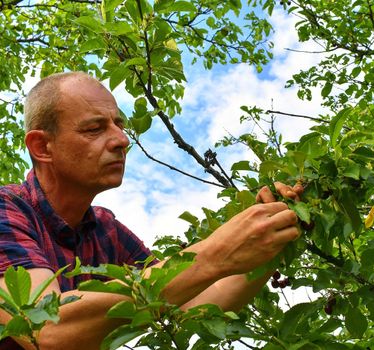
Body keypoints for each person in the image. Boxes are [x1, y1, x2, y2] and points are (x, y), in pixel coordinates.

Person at [0, 72, 302, 350]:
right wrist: (215, 252)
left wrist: (271, 239)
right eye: (94, 128)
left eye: (119, 125)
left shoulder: (106, 229)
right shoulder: (7, 209)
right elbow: (44, 329)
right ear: (42, 147)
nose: (122, 140)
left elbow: (191, 303)